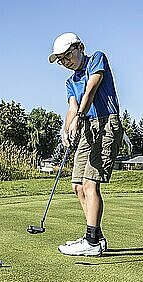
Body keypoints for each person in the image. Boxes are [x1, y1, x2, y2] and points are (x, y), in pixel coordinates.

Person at [48, 32, 123, 257]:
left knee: (91, 183)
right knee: (78, 185)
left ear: (79, 47)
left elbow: (91, 89)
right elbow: (72, 107)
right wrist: (66, 128)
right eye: (60, 59)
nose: (64, 62)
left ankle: (91, 241)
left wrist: (79, 116)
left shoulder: (97, 59)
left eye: (66, 55)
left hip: (106, 124)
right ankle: (95, 237)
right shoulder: (70, 81)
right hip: (86, 128)